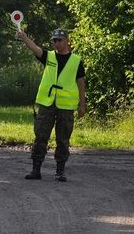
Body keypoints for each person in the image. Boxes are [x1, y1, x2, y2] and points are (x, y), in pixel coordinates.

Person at [16, 28, 86, 182]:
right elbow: (34, 48)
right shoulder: (49, 56)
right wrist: (24, 37)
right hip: (47, 103)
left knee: (63, 138)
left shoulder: (76, 61)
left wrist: (82, 105)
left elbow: (81, 83)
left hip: (66, 106)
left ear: (67, 41)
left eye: (59, 40)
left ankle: (60, 171)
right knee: (40, 135)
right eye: (54, 40)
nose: (56, 43)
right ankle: (36, 170)